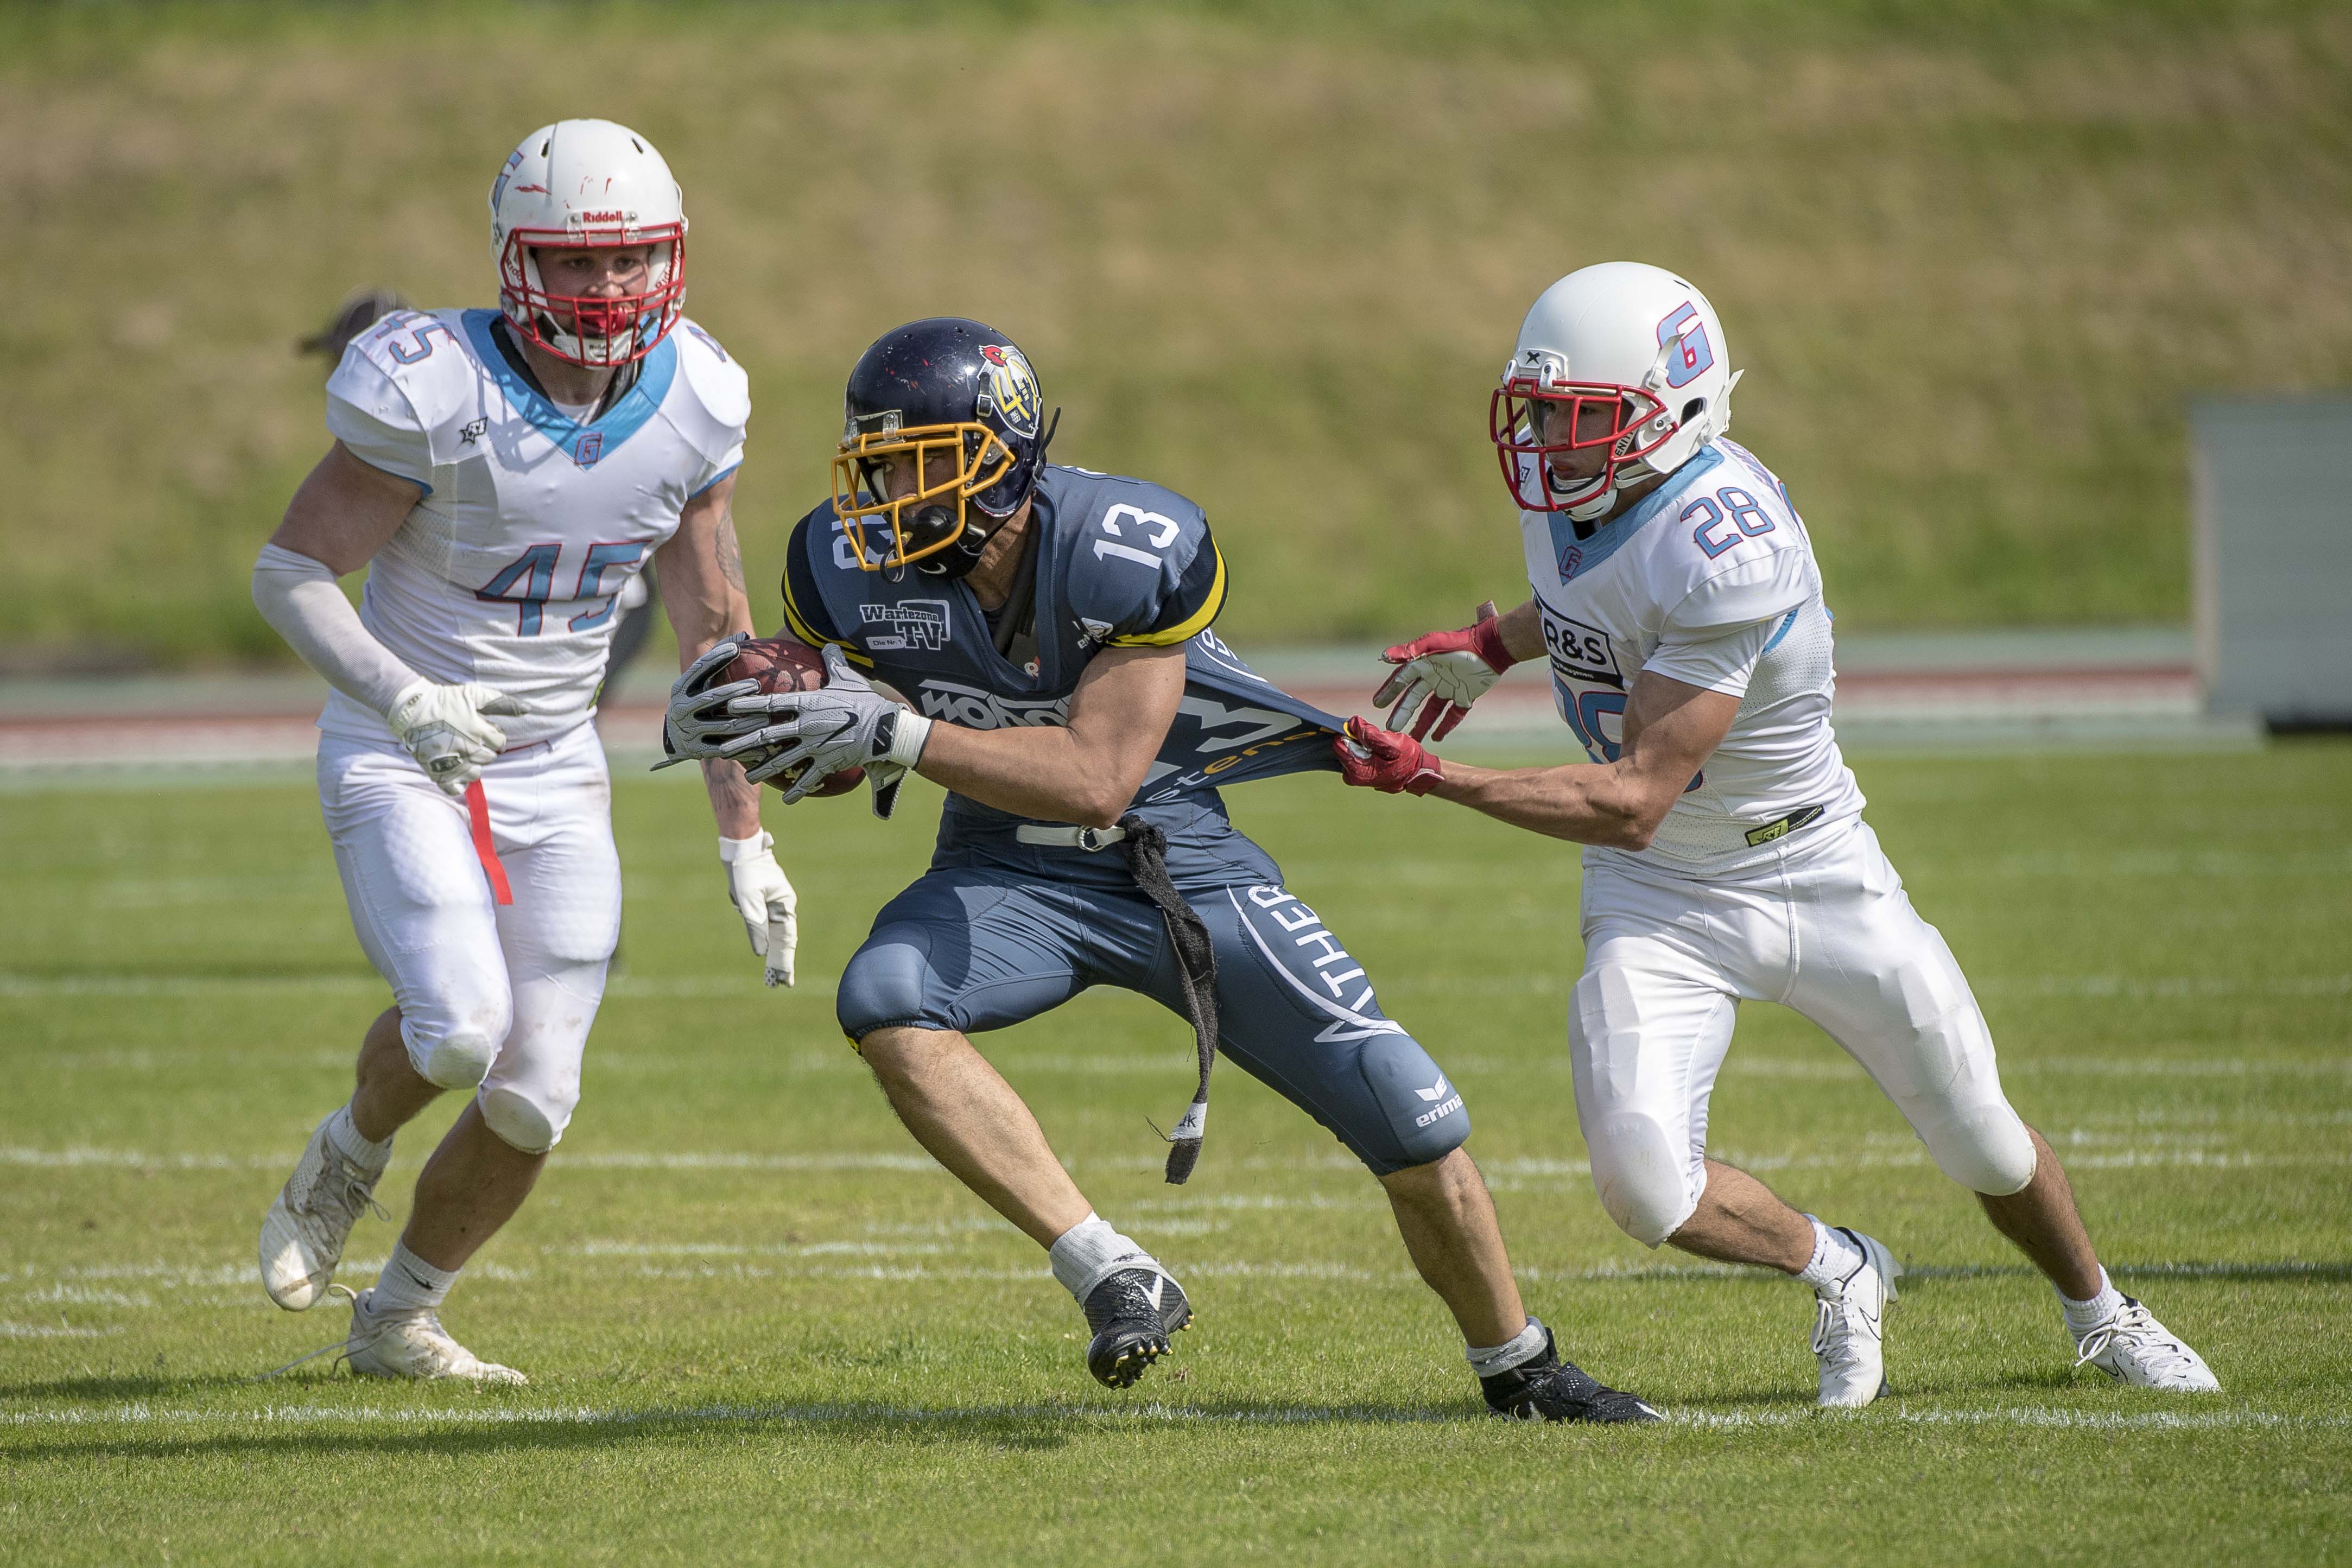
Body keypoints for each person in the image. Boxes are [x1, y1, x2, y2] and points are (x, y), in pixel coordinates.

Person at [663, 317, 1657, 1421]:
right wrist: (772, 721)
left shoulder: (1126, 542)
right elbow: (856, 737)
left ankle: (1518, 1364)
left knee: (1409, 1118)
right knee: (885, 999)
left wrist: (891, 736)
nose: (885, 494)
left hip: (1174, 856)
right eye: (873, 465)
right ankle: (1108, 1268)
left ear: (1000, 458)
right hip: (1002, 866)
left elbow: (1098, 777)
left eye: (917, 465)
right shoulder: (833, 560)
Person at [1335, 262, 2218, 1406]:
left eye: (1580, 416)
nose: (1550, 442)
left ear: (1680, 407)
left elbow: (1635, 794)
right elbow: (1590, 604)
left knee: (1982, 1139)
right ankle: (1841, 1264)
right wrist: (1493, 644)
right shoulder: (1582, 497)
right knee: (1646, 1186)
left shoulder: (1728, 544)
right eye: (1544, 412)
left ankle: (2102, 1313)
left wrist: (1436, 778)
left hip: (1810, 865)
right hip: (1662, 899)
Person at [251, 119, 796, 1382]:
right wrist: (402, 695)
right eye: (572, 262)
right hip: (409, 752)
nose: (604, 290)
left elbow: (717, 630)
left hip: (555, 762)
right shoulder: (433, 380)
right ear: (514, 261)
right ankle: (347, 1150)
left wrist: (744, 834)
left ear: (672, 258)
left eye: (630, 262)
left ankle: (398, 1317)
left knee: (537, 1089)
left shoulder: (699, 398)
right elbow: (291, 572)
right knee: (454, 1029)